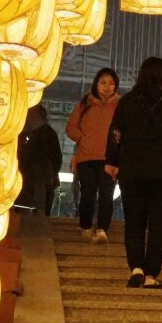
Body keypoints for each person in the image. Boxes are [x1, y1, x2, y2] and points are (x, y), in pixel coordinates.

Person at [105, 56, 162, 290]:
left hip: (132, 171)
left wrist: (112, 160)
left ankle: (136, 267)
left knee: (134, 222)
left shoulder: (127, 102)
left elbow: (115, 133)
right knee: (158, 225)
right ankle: (151, 275)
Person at [66, 67, 120, 242]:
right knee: (88, 193)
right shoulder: (85, 104)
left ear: (116, 86)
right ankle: (86, 226)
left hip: (109, 158)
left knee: (106, 194)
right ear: (96, 84)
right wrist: (83, 139)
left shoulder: (120, 106)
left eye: (111, 83)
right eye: (103, 82)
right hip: (86, 157)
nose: (106, 87)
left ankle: (102, 229)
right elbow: (70, 127)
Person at [15, 105, 62, 217]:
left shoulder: (43, 134)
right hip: (34, 178)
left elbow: (56, 157)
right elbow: (57, 158)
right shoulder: (22, 134)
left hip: (36, 177)